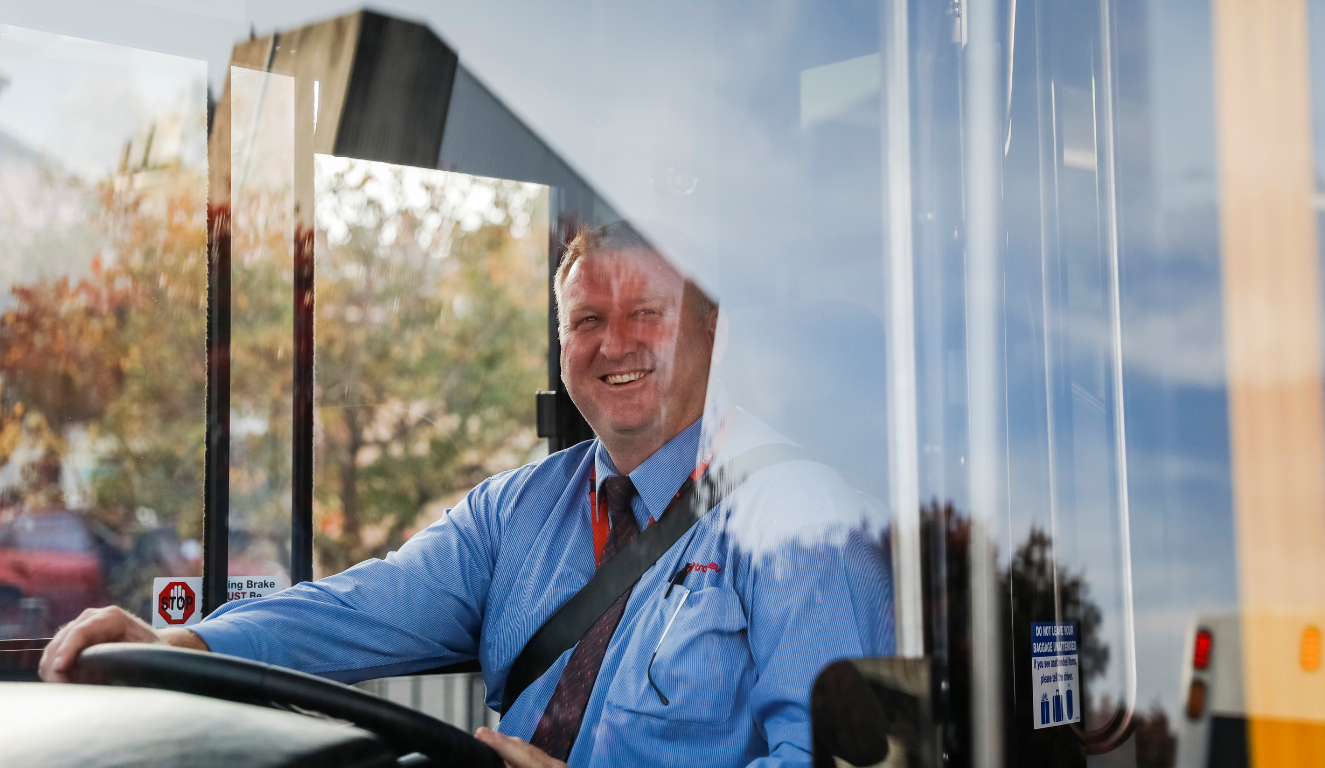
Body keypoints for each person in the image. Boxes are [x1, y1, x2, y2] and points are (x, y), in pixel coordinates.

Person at [39, 222, 894, 767]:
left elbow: (833, 762)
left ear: (713, 329)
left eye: (649, 314)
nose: (614, 344)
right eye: (586, 321)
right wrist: (188, 644)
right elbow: (361, 606)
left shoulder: (797, 519)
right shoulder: (518, 510)